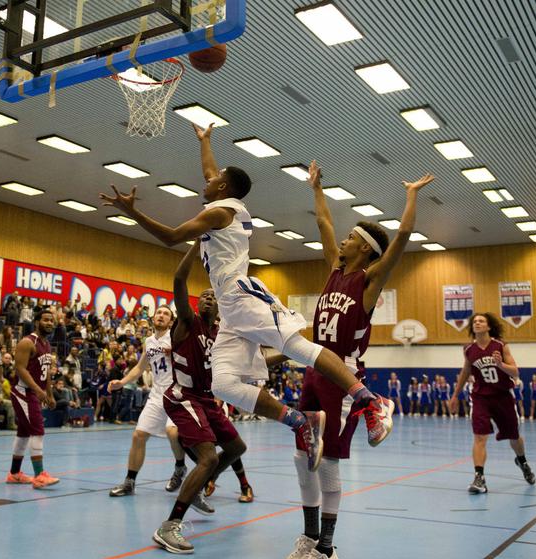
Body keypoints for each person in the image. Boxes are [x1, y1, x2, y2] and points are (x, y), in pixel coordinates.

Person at [100, 124, 394, 472]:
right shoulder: (226, 202)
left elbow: (172, 236)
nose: (206, 181)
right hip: (229, 306)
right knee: (222, 383)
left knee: (296, 346)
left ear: (223, 187)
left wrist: (132, 212)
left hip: (242, 294)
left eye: (213, 180)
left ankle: (370, 400)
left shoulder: (218, 212)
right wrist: (205, 141)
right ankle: (299, 420)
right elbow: (211, 171)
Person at [277, 161, 431, 559]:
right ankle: (309, 538)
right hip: (313, 369)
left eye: (350, 237)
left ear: (363, 247)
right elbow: (325, 224)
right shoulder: (333, 270)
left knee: (327, 462)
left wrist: (411, 195)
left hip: (342, 378)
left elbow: (402, 238)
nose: (341, 240)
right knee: (302, 457)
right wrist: (316, 188)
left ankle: (327, 550)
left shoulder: (369, 281)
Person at [153, 242, 247, 554]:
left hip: (206, 399)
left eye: (212, 297)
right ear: (196, 303)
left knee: (236, 447)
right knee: (207, 457)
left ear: (219, 305)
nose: (208, 298)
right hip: (183, 396)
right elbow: (179, 281)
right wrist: (197, 243)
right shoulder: (188, 322)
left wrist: (293, 356)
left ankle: (197, 483)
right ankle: (169, 527)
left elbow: (243, 364)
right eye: (203, 296)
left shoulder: (219, 332)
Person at [108, 305, 189, 497]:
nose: (161, 315)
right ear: (153, 318)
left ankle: (179, 467)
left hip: (177, 393)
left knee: (172, 432)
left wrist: (176, 353)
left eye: (166, 314)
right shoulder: (149, 341)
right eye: (158, 312)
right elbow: (139, 367)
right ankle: (129, 482)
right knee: (139, 436)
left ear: (171, 321)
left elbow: (190, 361)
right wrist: (122, 381)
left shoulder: (177, 338)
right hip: (157, 395)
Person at [449, 313, 535, 494]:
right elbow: (465, 372)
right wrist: (455, 396)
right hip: (480, 397)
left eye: (481, 321)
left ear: (489, 326)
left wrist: (500, 364)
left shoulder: (500, 345)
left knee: (514, 436)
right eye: (475, 321)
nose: (477, 323)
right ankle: (479, 478)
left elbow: (515, 372)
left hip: (502, 396)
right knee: (479, 437)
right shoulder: (469, 350)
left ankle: (522, 461)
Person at [5, 310, 59, 489]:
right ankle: (39, 475)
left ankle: (14, 474)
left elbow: (47, 373)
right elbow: (20, 369)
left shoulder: (47, 344)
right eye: (45, 320)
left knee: (24, 433)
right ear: (37, 322)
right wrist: (38, 390)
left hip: (34, 392)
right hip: (23, 392)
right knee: (38, 430)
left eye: (52, 320)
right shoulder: (27, 342)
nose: (50, 323)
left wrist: (49, 394)